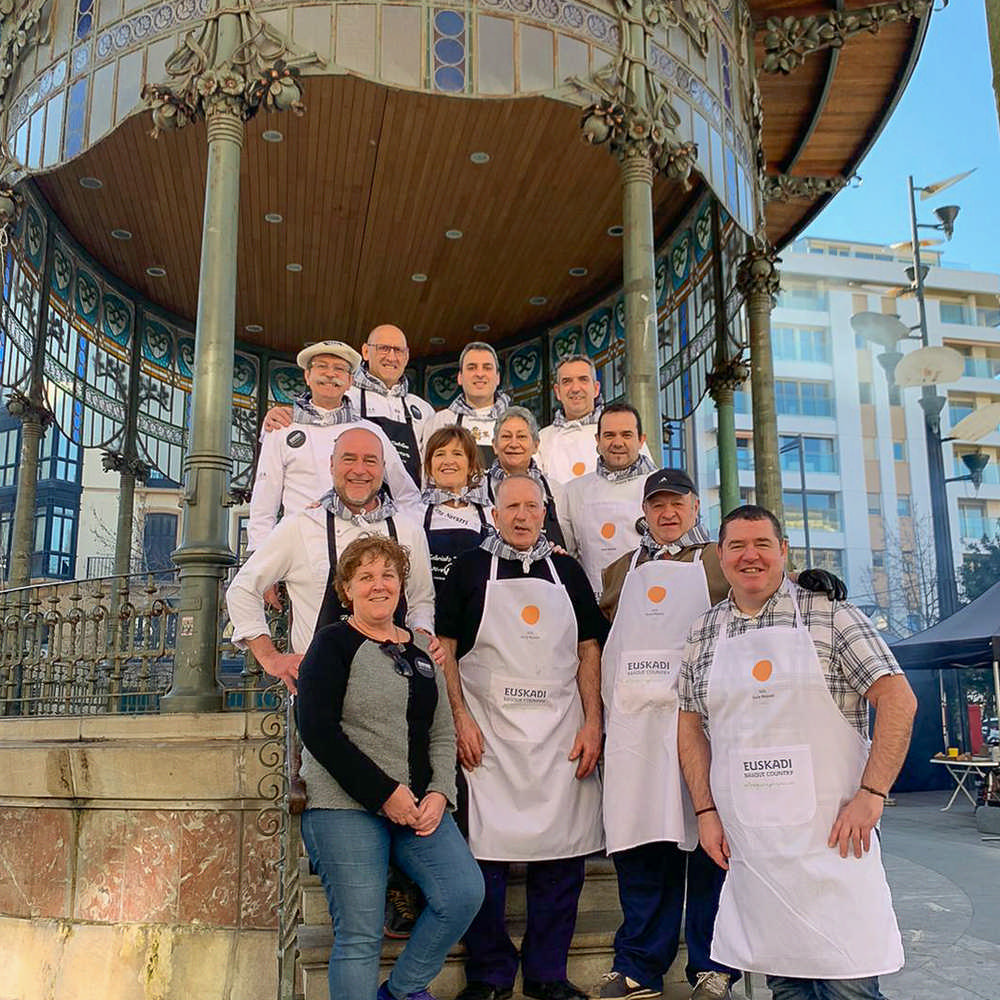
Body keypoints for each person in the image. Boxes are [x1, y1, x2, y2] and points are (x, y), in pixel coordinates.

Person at [593, 473, 846, 1000]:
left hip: (704, 727)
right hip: (637, 736)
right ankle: (638, 964)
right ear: (644, 510)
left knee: (712, 849)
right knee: (643, 849)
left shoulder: (718, 558)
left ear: (694, 507)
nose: (667, 514)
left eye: (677, 504)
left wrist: (808, 582)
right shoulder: (618, 571)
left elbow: (765, 587)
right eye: (657, 505)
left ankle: (713, 965)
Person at [677, 505, 917, 1000]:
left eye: (762, 544)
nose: (750, 556)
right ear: (720, 555)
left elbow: (898, 699)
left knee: (849, 987)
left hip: (834, 842)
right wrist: (705, 811)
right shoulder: (703, 632)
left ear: (783, 550)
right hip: (757, 851)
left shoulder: (830, 614)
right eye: (737, 546)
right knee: (785, 986)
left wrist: (873, 793)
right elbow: (689, 725)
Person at [436, 474, 608, 1000]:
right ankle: (489, 974)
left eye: (531, 507)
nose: (522, 516)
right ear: (494, 514)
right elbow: (445, 648)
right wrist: (459, 718)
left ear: (543, 514)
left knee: (562, 861)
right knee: (482, 862)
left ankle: (546, 974)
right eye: (511, 507)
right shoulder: (468, 569)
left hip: (560, 735)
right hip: (488, 736)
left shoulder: (568, 571)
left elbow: (589, 649)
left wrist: (594, 722)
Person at [297, 533, 485, 1000]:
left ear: (401, 584)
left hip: (418, 806)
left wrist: (440, 792)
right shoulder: (332, 644)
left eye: (388, 574)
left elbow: (442, 731)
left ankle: (403, 990)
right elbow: (318, 731)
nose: (378, 584)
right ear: (347, 590)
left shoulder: (421, 648)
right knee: (360, 934)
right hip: (345, 805)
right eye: (365, 577)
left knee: (462, 892)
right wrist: (384, 794)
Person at [227, 427, 435, 692]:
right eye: (349, 459)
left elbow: (421, 600)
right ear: (331, 465)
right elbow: (242, 589)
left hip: (398, 687)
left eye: (370, 460)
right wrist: (271, 658)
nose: (359, 470)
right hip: (322, 689)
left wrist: (423, 636)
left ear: (383, 469)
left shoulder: (408, 529)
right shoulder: (300, 526)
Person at [248, 340, 420, 553]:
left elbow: (406, 494)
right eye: (322, 366)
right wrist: (259, 555)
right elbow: (264, 503)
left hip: (359, 548)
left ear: (349, 381)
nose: (330, 374)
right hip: (300, 547)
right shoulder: (281, 428)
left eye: (339, 369)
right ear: (307, 376)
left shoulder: (370, 431)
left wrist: (407, 542)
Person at [557, 402, 655, 595]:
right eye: (609, 435)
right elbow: (568, 555)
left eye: (626, 435)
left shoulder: (659, 487)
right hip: (592, 603)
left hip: (647, 600)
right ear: (597, 440)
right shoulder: (573, 491)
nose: (617, 443)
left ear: (641, 440)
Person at [421, 425, 493, 595]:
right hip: (430, 607)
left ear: (471, 466)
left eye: (457, 454)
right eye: (440, 454)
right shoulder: (414, 514)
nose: (448, 461)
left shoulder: (491, 514)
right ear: (429, 467)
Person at [486, 406, 566, 549]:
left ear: (536, 445)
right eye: (506, 437)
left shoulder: (555, 490)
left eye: (521, 437)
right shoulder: (478, 489)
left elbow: (570, 544)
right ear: (494, 445)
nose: (514, 444)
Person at [422, 342, 510, 466]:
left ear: (498, 378)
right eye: (472, 368)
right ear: (460, 377)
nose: (480, 374)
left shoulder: (516, 422)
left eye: (487, 368)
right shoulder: (440, 422)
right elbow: (428, 472)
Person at [536, 355, 603, 486]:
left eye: (583, 380)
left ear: (596, 389)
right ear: (557, 392)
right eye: (567, 382)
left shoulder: (617, 433)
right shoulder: (541, 440)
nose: (575, 389)